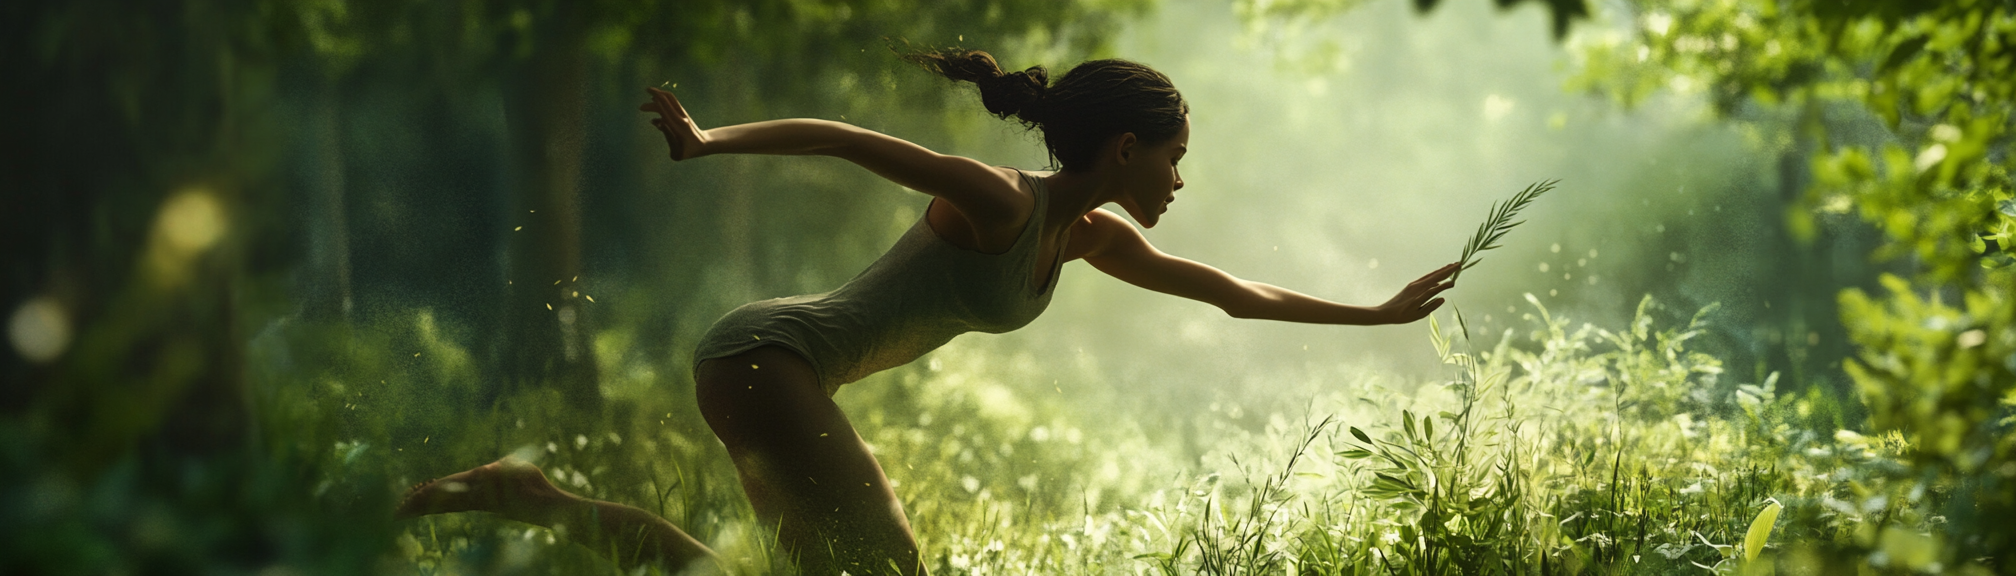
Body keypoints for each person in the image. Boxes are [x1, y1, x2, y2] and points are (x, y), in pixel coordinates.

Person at [395, 49, 1459, 575]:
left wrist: (1378, 314)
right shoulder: (1004, 201)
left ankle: (528, 497)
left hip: (770, 366)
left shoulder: (1088, 238)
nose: (1182, 181)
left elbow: (1233, 296)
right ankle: (527, 497)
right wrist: (710, 142)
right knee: (894, 570)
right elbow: (855, 141)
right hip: (770, 354)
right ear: (1125, 149)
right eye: (1175, 158)